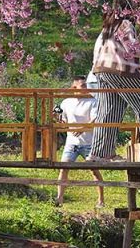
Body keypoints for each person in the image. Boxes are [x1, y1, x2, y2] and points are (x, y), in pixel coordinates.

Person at [88, 8, 140, 161]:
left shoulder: (107, 28)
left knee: (109, 111)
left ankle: (100, 153)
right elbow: (133, 49)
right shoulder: (125, 24)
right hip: (119, 70)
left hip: (101, 70)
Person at [56, 77, 105, 208]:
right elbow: (63, 120)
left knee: (94, 170)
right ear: (74, 88)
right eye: (82, 86)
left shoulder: (93, 101)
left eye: (86, 85)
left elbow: (95, 120)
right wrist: (62, 123)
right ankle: (59, 198)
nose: (86, 88)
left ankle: (101, 200)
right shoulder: (66, 102)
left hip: (89, 142)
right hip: (71, 142)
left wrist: (82, 129)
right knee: (64, 168)